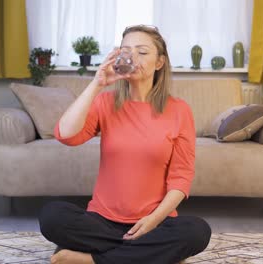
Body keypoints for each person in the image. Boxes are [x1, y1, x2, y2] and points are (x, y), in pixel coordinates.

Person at [39, 25, 211, 264]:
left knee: (197, 232)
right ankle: (149, 256)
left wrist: (152, 221)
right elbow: (65, 135)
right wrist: (97, 83)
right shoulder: (105, 102)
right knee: (52, 216)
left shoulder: (179, 110)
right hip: (102, 221)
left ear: (159, 63)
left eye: (142, 52)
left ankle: (90, 260)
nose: (133, 57)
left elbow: (181, 178)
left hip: (154, 221)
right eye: (127, 50)